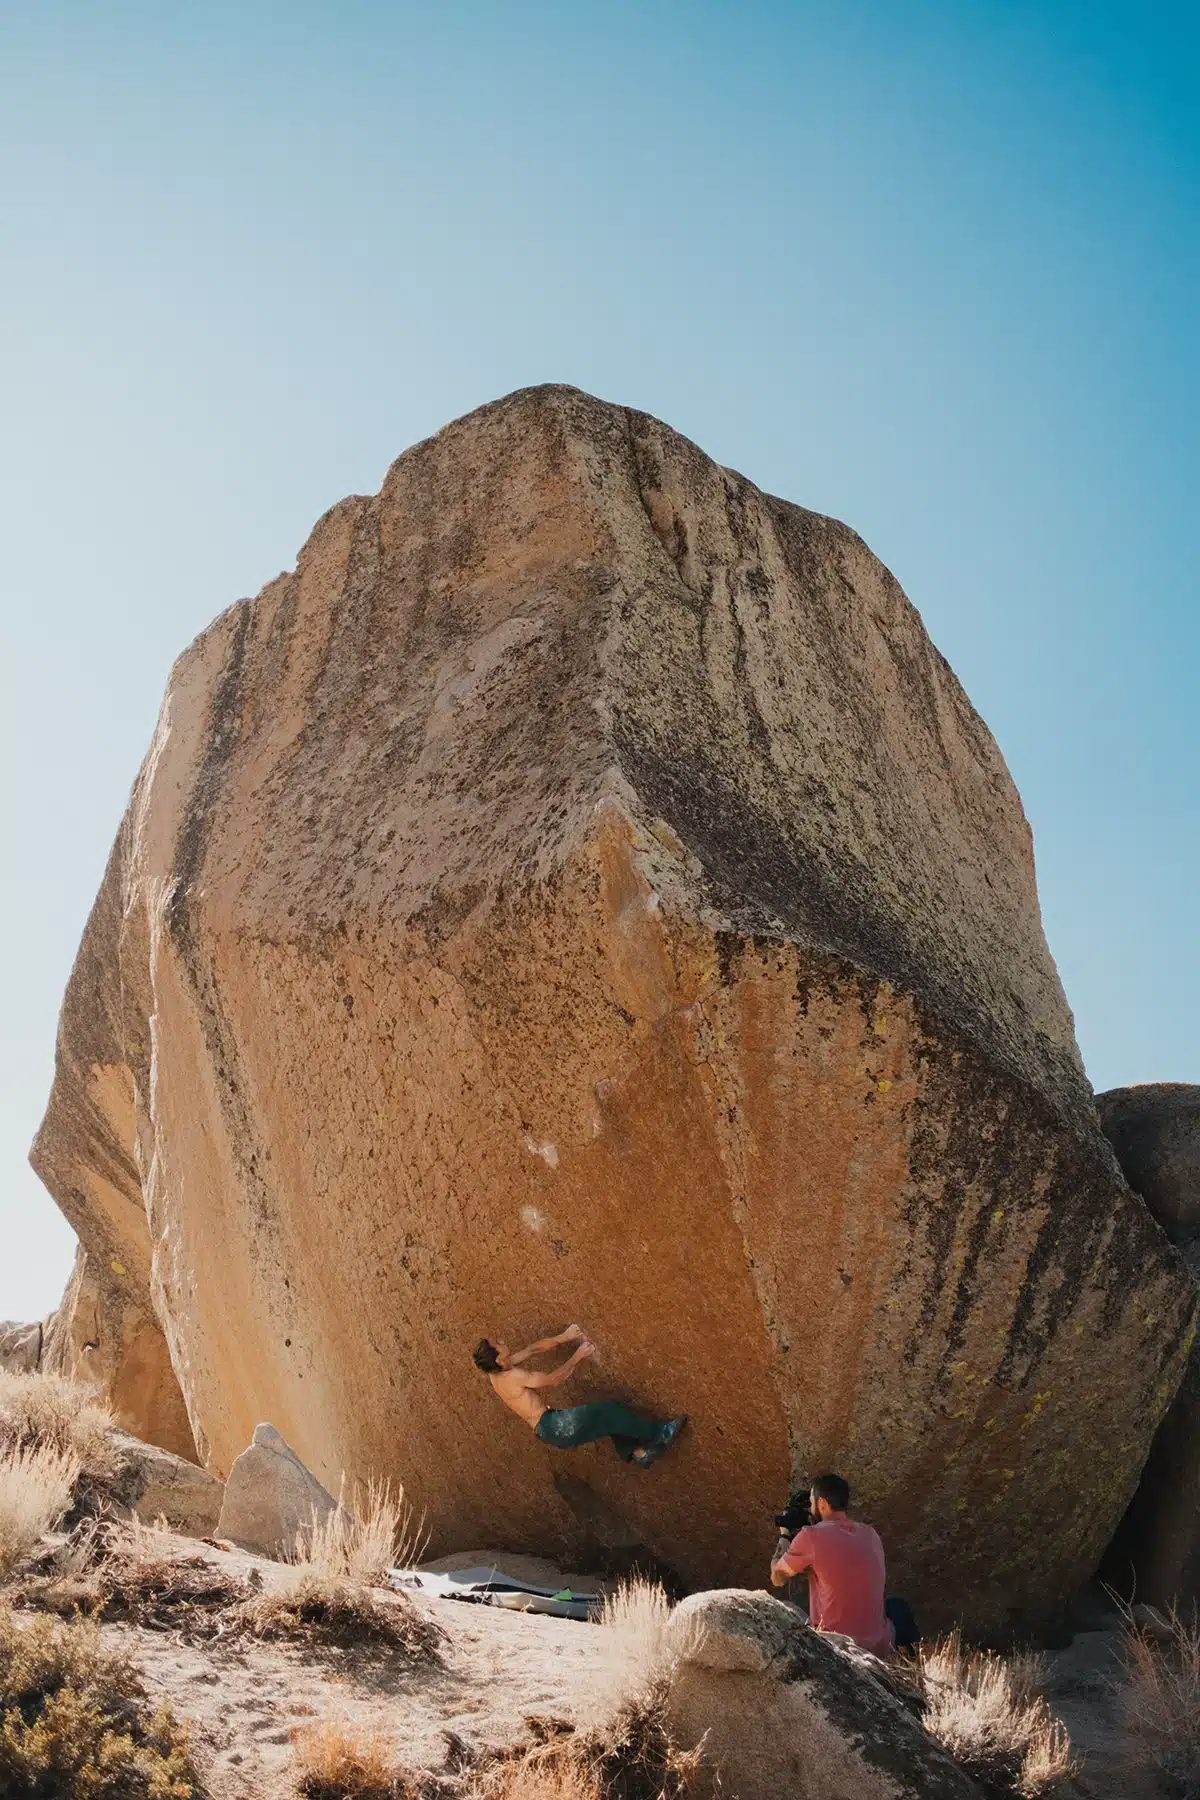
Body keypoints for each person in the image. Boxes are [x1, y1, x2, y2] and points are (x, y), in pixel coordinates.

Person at [473, 1324, 687, 1466]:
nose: (501, 1340)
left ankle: (638, 1453)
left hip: (549, 1428)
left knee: (607, 1418)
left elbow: (532, 1350)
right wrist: (578, 1356)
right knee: (608, 1411)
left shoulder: (497, 1371)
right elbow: (552, 1380)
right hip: (553, 1426)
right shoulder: (514, 1376)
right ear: (499, 1360)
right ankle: (660, 1433)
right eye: (498, 1344)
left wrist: (564, 1336)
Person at [769, 1473, 896, 1658]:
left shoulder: (811, 1537)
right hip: (878, 1648)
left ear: (821, 1503)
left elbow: (777, 1578)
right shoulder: (871, 1534)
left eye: (811, 1503)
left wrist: (785, 1535)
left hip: (837, 1649)